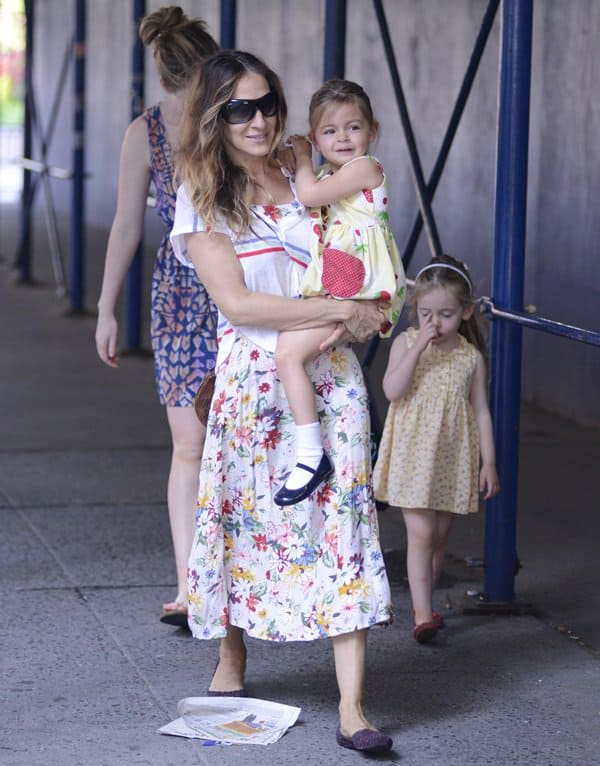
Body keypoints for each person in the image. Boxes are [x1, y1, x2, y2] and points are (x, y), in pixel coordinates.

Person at [170, 50, 394, 754]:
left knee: (345, 525)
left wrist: (371, 307)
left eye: (268, 102)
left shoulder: (313, 175)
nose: (260, 119)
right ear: (214, 117)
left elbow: (361, 246)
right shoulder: (201, 192)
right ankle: (232, 656)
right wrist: (341, 308)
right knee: (240, 515)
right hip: (253, 375)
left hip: (331, 376)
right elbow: (237, 301)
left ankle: (353, 706)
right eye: (240, 108)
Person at [94, 6, 219, 628]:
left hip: (237, 289)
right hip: (178, 296)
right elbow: (125, 224)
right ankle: (189, 582)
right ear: (181, 80)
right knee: (189, 442)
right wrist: (105, 307)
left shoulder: (233, 122)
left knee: (242, 438)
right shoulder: (143, 133)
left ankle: (245, 575)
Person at [272, 79, 406, 507]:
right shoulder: (337, 175)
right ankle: (353, 449)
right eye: (330, 131)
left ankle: (311, 455)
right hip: (344, 282)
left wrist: (302, 157)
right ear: (317, 135)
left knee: (288, 354)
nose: (343, 138)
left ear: (373, 131)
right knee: (309, 361)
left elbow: (309, 195)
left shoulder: (365, 168)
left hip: (359, 286)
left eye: (353, 127)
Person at [373, 254, 500, 643]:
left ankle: (424, 603)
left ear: (464, 313)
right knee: (422, 535)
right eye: (427, 313)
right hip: (413, 455)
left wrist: (489, 463)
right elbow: (393, 391)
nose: (435, 323)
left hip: (451, 457)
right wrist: (418, 348)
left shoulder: (470, 357)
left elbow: (481, 411)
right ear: (416, 311)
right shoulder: (407, 344)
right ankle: (423, 614)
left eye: (445, 314)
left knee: (440, 535)